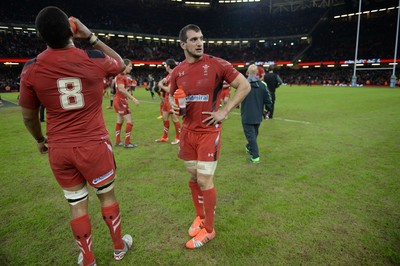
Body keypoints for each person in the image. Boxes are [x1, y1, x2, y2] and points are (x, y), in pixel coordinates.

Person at [18, 7, 132, 266]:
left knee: (76, 205)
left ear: (40, 35)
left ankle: (88, 259)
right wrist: (91, 36)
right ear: (72, 29)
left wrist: (39, 139)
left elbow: (28, 116)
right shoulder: (92, 58)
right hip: (94, 145)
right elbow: (120, 63)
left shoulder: (31, 68)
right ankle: (118, 247)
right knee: (107, 196)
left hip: (59, 148)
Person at [169, 24, 250, 249]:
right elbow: (171, 99)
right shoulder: (177, 71)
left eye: (201, 38)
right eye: (194, 39)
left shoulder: (217, 64)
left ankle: (210, 230)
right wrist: (175, 107)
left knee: (205, 180)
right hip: (187, 133)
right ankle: (200, 216)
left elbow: (244, 86)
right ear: (183, 44)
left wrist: (225, 111)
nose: (200, 43)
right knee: (194, 178)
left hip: (208, 132)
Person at [242, 64, 273, 163]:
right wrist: (267, 110)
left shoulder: (243, 84)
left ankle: (255, 156)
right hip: (258, 115)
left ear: (247, 73)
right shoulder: (263, 85)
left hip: (247, 114)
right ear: (257, 73)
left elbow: (237, 98)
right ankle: (249, 146)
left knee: (251, 135)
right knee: (254, 134)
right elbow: (268, 101)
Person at [114, 59, 140, 148]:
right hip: (121, 101)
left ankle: (118, 141)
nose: (131, 68)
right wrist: (133, 98)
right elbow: (121, 89)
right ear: (124, 66)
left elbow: (124, 88)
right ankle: (127, 143)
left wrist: (132, 86)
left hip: (118, 100)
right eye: (130, 66)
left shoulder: (123, 76)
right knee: (130, 121)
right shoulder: (121, 75)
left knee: (120, 120)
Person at [156, 59, 181, 144]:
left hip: (172, 98)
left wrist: (160, 85)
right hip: (167, 99)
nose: (165, 67)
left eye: (166, 65)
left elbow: (170, 89)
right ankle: (165, 137)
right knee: (165, 117)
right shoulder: (169, 75)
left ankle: (178, 138)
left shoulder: (173, 75)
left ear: (169, 66)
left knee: (174, 117)